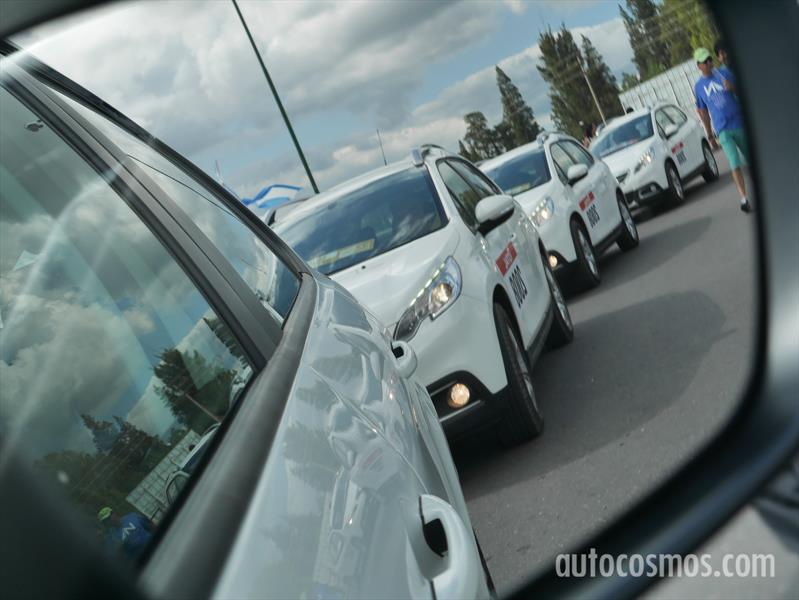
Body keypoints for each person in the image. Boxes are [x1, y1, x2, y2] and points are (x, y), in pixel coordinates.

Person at [693, 47, 752, 213]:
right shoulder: (698, 87)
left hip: (738, 122)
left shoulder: (724, 74)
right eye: (705, 62)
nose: (709, 63)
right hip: (723, 128)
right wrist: (710, 134)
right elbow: (703, 112)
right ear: (698, 66)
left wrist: (731, 87)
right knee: (734, 162)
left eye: (710, 59)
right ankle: (744, 198)